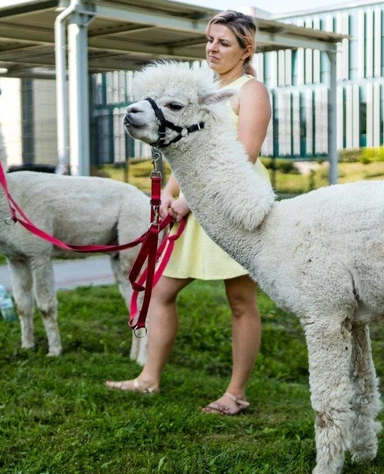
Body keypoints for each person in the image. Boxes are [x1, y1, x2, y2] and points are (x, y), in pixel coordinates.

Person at [106, 10, 272, 416]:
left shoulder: (251, 91)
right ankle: (148, 378)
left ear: (245, 49)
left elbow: (246, 153)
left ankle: (235, 394)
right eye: (210, 39)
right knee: (161, 291)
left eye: (224, 42)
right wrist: (171, 193)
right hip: (198, 196)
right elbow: (189, 148)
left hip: (235, 199)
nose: (213, 48)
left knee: (240, 300)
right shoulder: (200, 88)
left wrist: (187, 201)